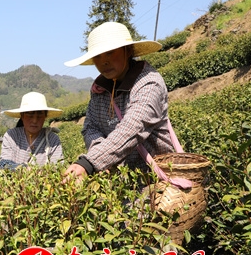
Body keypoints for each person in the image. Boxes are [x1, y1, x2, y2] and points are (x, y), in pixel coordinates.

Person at [62, 22, 174, 182]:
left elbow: (134, 126)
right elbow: (90, 127)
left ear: (128, 51)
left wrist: (90, 163)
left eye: (110, 53)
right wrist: (101, 155)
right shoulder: (99, 89)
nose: (103, 62)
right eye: (97, 56)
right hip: (121, 183)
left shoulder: (149, 82)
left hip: (157, 180)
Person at [0, 92, 64, 170]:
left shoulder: (52, 139)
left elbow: (58, 167)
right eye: (30, 115)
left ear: (45, 117)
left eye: (39, 115)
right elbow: (4, 165)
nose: (35, 120)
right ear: (22, 116)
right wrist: (23, 169)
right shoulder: (11, 136)